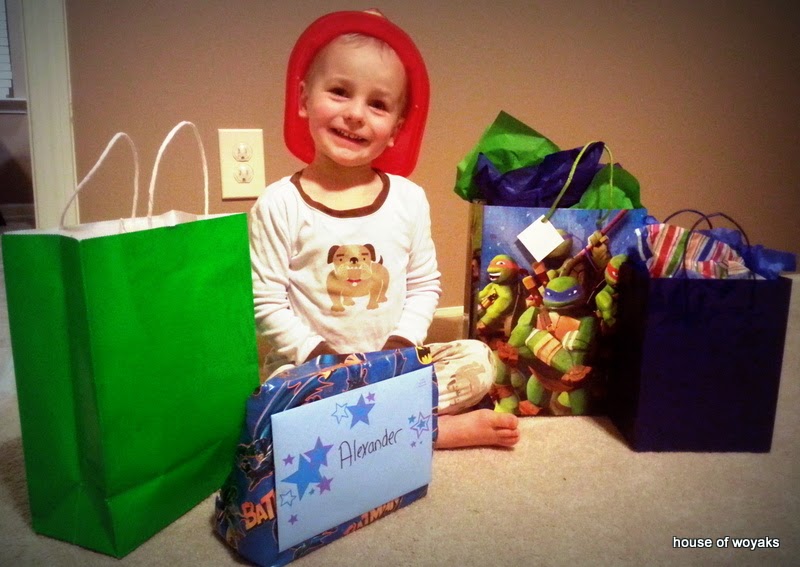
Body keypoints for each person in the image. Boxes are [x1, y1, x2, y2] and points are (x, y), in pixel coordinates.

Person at [250, 10, 519, 449]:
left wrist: (399, 347)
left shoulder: (408, 200)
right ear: (303, 99)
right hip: (314, 374)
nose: (355, 114)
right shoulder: (278, 203)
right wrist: (323, 359)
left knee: (477, 360)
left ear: (396, 128)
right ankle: (429, 432)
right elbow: (266, 303)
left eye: (377, 104)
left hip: (392, 366)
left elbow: (424, 286)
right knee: (274, 407)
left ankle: (377, 433)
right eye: (340, 92)